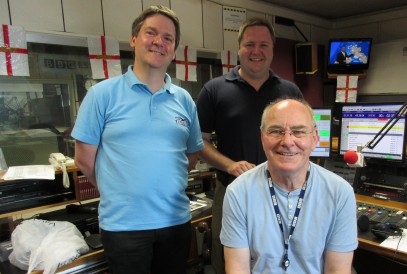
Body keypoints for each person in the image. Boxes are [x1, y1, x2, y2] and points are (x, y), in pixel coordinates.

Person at [71, 5, 203, 274]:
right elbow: (84, 160)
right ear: (134, 39)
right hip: (124, 227)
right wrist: (121, 189)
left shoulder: (185, 100)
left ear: (174, 49)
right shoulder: (102, 95)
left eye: (168, 38)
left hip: (175, 222)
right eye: (150, 33)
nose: (159, 42)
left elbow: (190, 156)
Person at [196, 17, 303, 273]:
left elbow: (303, 138)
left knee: (281, 258)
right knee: (227, 260)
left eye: (264, 45)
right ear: (239, 48)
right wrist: (230, 165)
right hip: (231, 191)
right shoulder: (214, 90)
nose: (257, 51)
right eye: (250, 44)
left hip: (284, 195)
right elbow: (199, 141)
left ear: (273, 49)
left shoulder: (289, 91)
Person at [220, 98, 357, 274]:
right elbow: (237, 269)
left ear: (315, 138)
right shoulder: (238, 192)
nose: (287, 141)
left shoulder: (340, 193)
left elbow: (337, 270)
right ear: (262, 138)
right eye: (276, 131)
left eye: (298, 132)